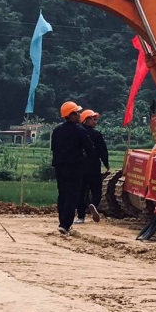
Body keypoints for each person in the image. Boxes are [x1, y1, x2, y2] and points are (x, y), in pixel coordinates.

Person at [50, 100, 93, 236]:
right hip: (74, 167)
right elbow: (90, 149)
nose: (80, 115)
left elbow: (53, 148)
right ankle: (65, 225)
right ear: (72, 115)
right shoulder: (80, 131)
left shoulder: (57, 130)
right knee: (72, 195)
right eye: (78, 112)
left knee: (62, 194)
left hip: (59, 166)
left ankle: (61, 221)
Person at [76, 109, 110, 223]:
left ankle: (81, 216)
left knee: (81, 191)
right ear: (86, 120)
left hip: (80, 166)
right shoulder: (96, 134)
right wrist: (106, 164)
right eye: (93, 119)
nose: (96, 121)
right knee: (96, 190)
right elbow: (103, 151)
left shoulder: (78, 132)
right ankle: (93, 205)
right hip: (94, 166)